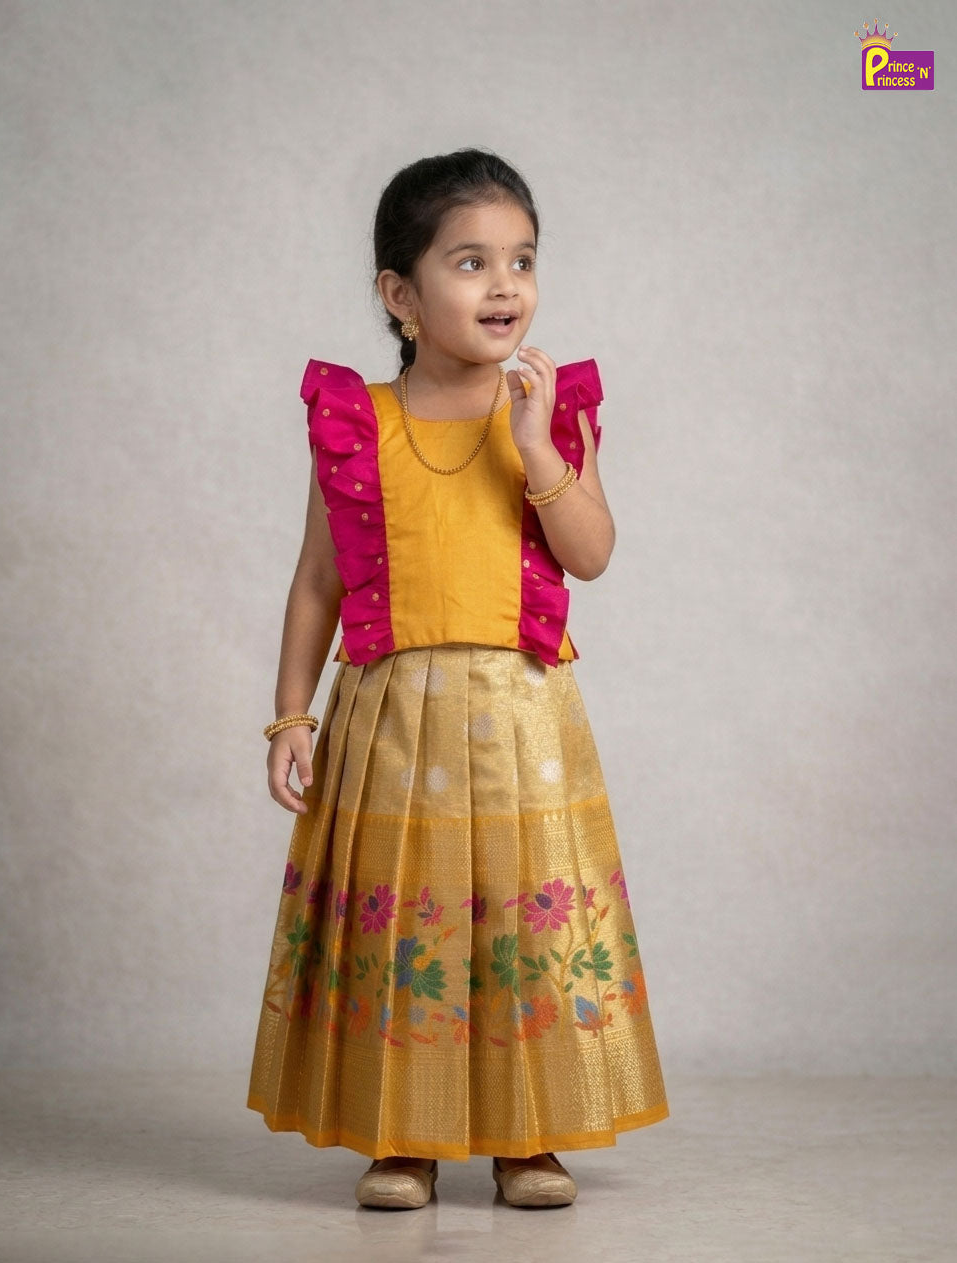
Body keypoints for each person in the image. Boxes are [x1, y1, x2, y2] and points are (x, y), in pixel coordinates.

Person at [247, 148, 669, 1210]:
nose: (504, 285)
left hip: (522, 719)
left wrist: (534, 448)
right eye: (470, 261)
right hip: (391, 719)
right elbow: (315, 583)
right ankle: (405, 1136)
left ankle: (528, 1136)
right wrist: (289, 717)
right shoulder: (357, 423)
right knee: (411, 923)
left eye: (521, 260)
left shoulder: (548, 412)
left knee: (520, 920)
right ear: (399, 293)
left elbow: (591, 554)